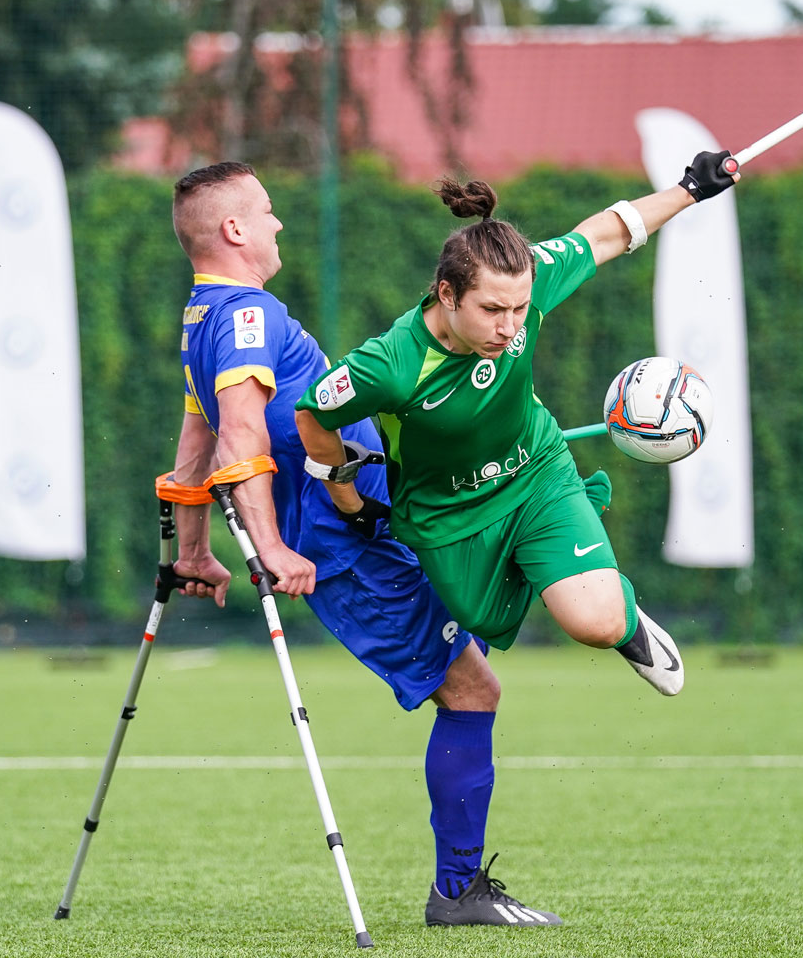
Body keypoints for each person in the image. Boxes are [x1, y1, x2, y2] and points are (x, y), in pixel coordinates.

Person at [164, 162, 561, 927]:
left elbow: (194, 440)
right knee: (473, 690)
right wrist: (272, 549)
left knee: (482, 623)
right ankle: (457, 893)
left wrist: (192, 549)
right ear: (236, 230)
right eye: (269, 212)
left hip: (372, 524)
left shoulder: (206, 317)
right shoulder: (247, 317)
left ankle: (461, 887)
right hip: (346, 544)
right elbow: (238, 437)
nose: (280, 224)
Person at [294, 152, 737, 697]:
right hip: (447, 515)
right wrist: (348, 497)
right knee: (480, 618)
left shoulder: (524, 280)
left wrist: (690, 189)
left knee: (593, 623)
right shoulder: (391, 365)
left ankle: (617, 615)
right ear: (447, 294)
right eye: (492, 310)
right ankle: (560, 577)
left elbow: (603, 235)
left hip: (535, 474)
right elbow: (312, 413)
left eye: (520, 309)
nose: (509, 328)